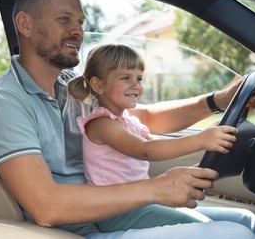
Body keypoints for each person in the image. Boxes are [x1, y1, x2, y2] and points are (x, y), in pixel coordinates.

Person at [0, 0, 255, 238]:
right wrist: (156, 189)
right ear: (25, 24)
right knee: (236, 235)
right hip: (77, 231)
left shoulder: (69, 86)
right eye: (64, 19)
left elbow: (143, 118)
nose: (77, 31)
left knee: (249, 221)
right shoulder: (5, 101)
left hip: (111, 216)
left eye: (81, 22)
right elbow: (47, 207)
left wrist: (218, 101)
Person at [67, 43, 238, 230]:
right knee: (210, 228)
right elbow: (146, 150)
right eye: (125, 78)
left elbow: (160, 146)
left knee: (232, 221)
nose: (135, 85)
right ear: (98, 85)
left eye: (139, 78)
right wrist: (200, 140)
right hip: (115, 212)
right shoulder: (101, 124)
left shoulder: (128, 121)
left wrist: (207, 144)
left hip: (140, 202)